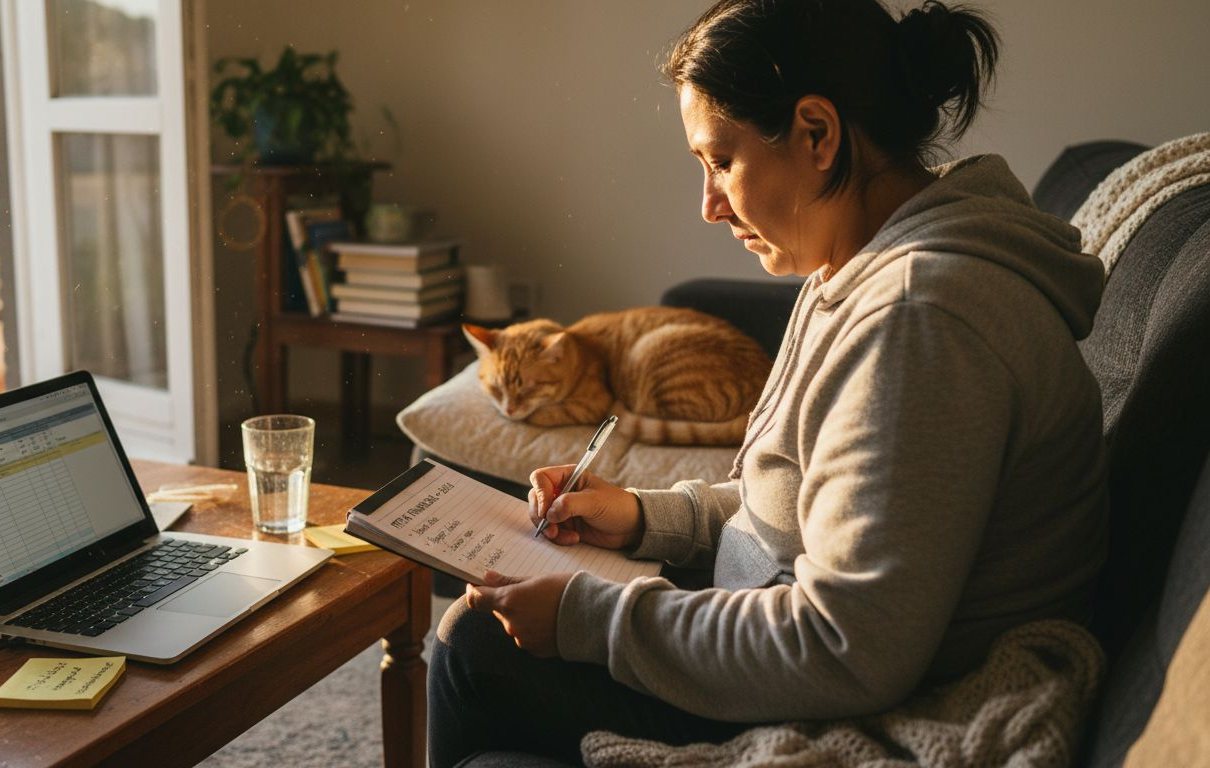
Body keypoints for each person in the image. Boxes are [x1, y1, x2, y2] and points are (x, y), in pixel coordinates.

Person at [429, 0, 1109, 764]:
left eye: (721, 162)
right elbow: (798, 508)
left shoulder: (921, 319)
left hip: (851, 697)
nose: (709, 205)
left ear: (817, 134)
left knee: (472, 645)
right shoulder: (855, 270)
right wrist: (646, 519)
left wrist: (594, 619)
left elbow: (844, 647)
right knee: (479, 625)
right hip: (796, 647)